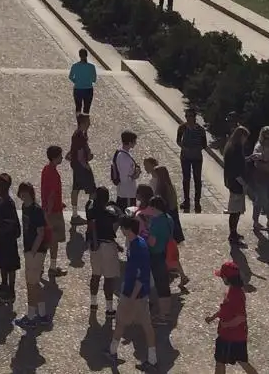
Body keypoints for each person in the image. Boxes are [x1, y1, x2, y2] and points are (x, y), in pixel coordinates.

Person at [114, 217, 157, 367]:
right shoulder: (138, 243)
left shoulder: (137, 247)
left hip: (132, 294)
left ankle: (112, 351)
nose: (120, 230)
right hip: (139, 293)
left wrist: (131, 298)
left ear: (127, 230)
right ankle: (152, 359)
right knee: (146, 325)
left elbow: (140, 276)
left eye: (122, 228)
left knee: (120, 322)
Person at [86, 186, 121, 321]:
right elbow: (119, 218)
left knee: (95, 275)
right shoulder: (110, 213)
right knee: (109, 278)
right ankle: (109, 308)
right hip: (107, 246)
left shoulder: (90, 209)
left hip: (95, 246)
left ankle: (93, 303)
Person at [0, 172, 21, 297]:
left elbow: (9, 225)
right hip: (0, 238)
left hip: (9, 239)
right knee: (1, 262)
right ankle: (3, 285)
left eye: (0, 186)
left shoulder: (9, 203)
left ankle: (11, 290)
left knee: (10, 265)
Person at [39, 144, 67, 275]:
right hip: (53, 213)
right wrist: (49, 214)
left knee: (46, 240)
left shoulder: (46, 169)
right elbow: (51, 195)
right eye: (60, 156)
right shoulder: (54, 174)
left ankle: (40, 266)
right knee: (53, 241)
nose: (62, 158)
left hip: (49, 209)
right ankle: (53, 268)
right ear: (55, 157)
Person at [223, 125, 251, 242]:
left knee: (237, 210)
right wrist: (244, 183)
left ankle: (234, 232)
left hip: (234, 182)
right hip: (236, 183)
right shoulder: (235, 149)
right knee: (235, 210)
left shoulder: (232, 147)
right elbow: (235, 169)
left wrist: (248, 159)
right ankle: (232, 234)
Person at [178, 106, 208, 214]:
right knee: (186, 179)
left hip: (197, 158)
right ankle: (186, 201)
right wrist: (184, 148)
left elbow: (204, 144)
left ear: (194, 117)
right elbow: (178, 140)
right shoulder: (182, 128)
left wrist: (196, 149)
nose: (188, 118)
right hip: (185, 157)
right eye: (187, 116)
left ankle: (197, 202)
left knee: (197, 180)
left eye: (190, 116)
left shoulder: (200, 130)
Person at [68, 116, 97, 224]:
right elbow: (80, 154)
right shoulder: (79, 136)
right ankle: (91, 215)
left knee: (75, 189)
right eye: (87, 122)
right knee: (93, 191)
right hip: (82, 167)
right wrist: (86, 165)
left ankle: (74, 215)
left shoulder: (77, 134)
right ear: (82, 123)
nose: (89, 124)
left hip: (76, 166)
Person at [111, 130, 139, 208]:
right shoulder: (123, 157)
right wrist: (135, 175)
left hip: (127, 192)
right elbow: (124, 178)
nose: (135, 143)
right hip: (127, 194)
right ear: (129, 143)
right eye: (134, 141)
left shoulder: (125, 153)